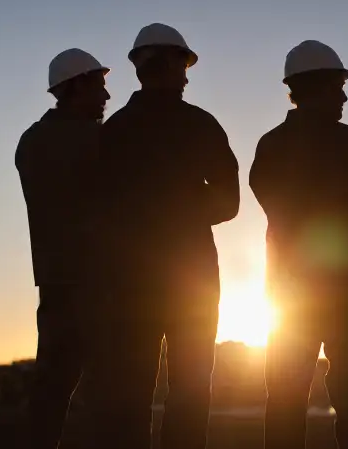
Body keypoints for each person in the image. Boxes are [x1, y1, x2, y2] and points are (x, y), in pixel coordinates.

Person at [89, 23, 240, 449]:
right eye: (184, 64)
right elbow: (229, 203)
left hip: (129, 282)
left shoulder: (114, 132)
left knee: (130, 393)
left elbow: (98, 210)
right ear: (169, 63)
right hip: (190, 279)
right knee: (191, 389)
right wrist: (186, 210)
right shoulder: (201, 126)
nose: (188, 75)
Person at [250, 40, 348, 449]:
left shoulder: (271, 145)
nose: (344, 96)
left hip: (289, 288)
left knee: (286, 398)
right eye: (338, 86)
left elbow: (279, 211)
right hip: (343, 289)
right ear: (318, 88)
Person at [15, 48, 110, 449]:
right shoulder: (99, 140)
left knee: (51, 392)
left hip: (54, 286)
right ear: (76, 87)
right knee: (112, 398)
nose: (106, 97)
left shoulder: (31, 142)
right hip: (102, 285)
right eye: (99, 86)